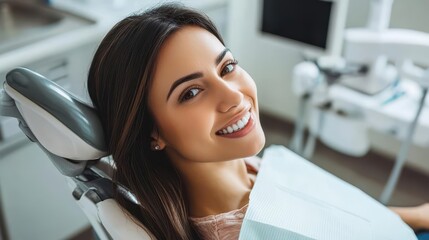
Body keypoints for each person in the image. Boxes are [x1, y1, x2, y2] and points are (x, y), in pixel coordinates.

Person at [87, 3, 429, 240]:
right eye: (191, 93)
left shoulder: (243, 165)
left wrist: (414, 216)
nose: (234, 96)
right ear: (151, 132)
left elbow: (337, 217)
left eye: (227, 68)